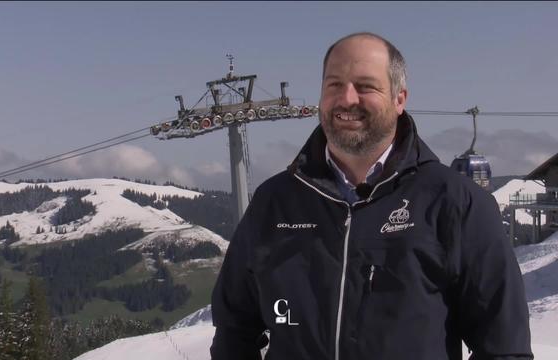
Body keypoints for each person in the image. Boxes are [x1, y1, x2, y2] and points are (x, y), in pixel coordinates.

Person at [211, 32, 533, 360]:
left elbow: (504, 347)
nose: (347, 99)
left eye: (365, 86)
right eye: (334, 84)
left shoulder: (453, 202)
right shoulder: (275, 202)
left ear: (399, 98)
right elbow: (234, 329)